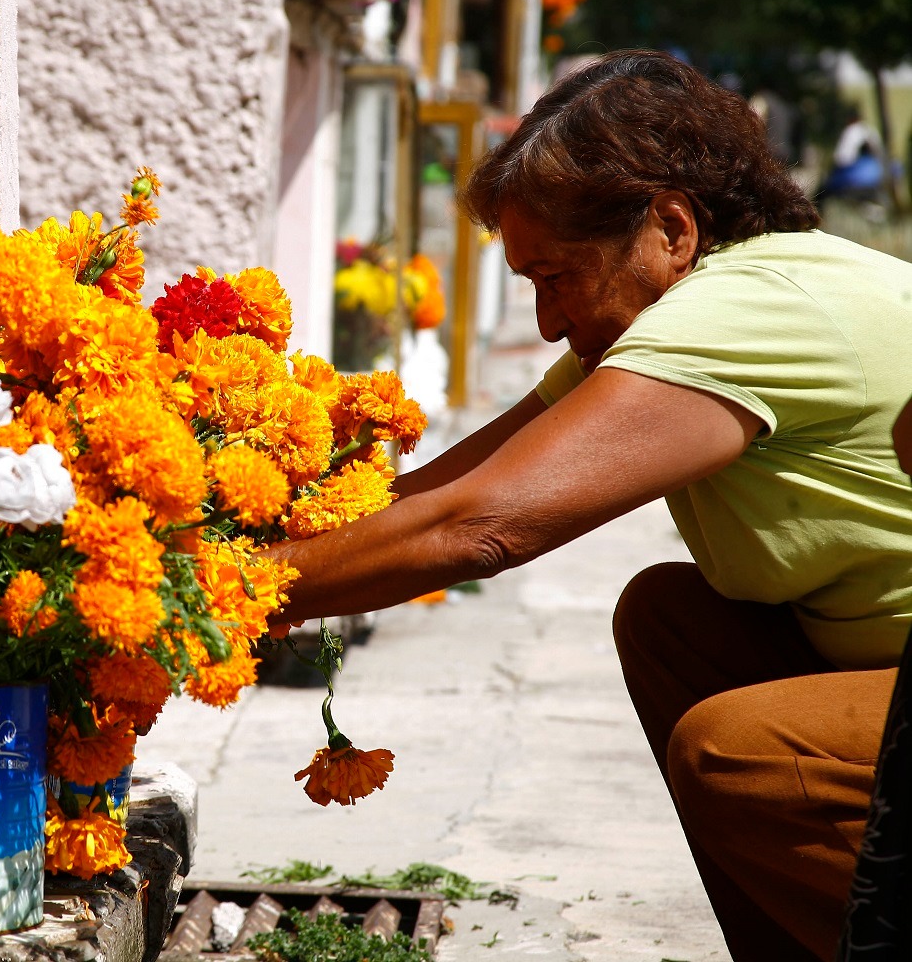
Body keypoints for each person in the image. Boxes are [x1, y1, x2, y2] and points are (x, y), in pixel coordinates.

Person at [271, 50, 912, 961]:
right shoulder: (688, 312)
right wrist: (239, 524)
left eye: (555, 276)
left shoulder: (744, 310)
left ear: (672, 230)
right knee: (668, 617)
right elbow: (440, 492)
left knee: (737, 751)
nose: (542, 320)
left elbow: (480, 527)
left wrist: (210, 601)